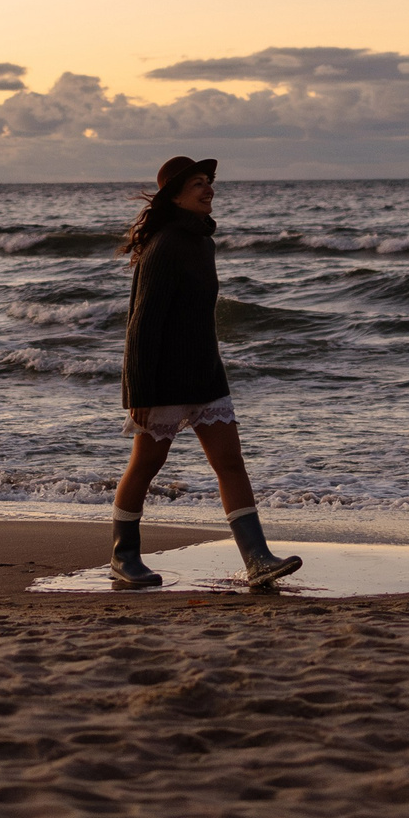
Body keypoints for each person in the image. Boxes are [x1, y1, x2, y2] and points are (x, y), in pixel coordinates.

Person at [108, 155, 302, 590]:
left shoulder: (200, 241)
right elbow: (143, 321)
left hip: (205, 375)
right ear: (176, 195)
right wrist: (137, 390)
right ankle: (124, 557)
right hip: (164, 379)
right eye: (198, 183)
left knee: (231, 463)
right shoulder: (168, 243)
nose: (208, 189)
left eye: (209, 182)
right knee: (146, 465)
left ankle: (257, 559)